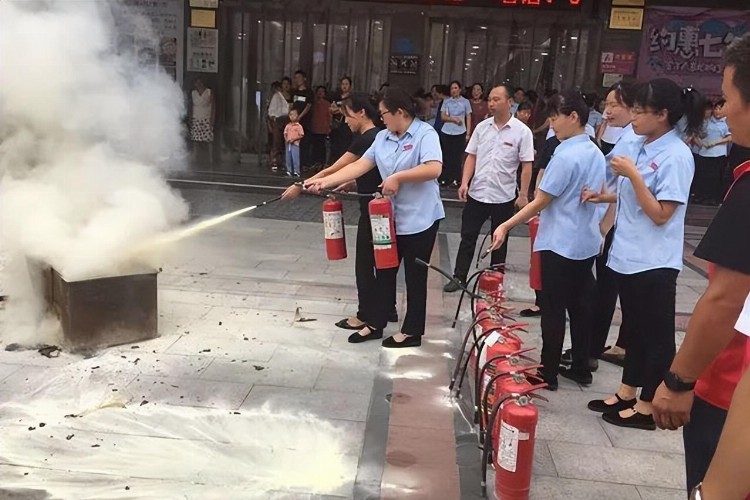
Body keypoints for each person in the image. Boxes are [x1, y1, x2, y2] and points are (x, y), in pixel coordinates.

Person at [649, 34, 750, 495]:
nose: (723, 112)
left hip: (734, 386)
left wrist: (678, 379)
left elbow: (725, 296)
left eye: (728, 99)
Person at [584, 78, 703, 431]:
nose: (632, 116)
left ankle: (649, 405)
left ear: (663, 115)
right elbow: (626, 192)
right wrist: (603, 196)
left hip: (654, 261)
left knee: (656, 335)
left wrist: (634, 175)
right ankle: (627, 392)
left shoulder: (677, 156)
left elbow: (662, 213)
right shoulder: (635, 140)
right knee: (633, 328)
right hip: (626, 252)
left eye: (639, 111)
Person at [305, 87, 445, 348]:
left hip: (420, 219)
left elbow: (433, 168)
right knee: (385, 269)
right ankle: (375, 323)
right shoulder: (383, 137)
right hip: (389, 219)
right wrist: (322, 181)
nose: (381, 119)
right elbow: (359, 166)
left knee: (415, 276)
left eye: (384, 114)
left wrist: (398, 178)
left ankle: (412, 331)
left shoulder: (426, 134)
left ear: (399, 112)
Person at [490, 91, 606, 391]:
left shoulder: (565, 155)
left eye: (555, 118)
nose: (552, 124)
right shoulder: (594, 151)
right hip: (585, 242)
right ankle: (581, 366)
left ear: (574, 117)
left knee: (553, 309)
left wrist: (505, 224)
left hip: (559, 243)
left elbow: (540, 201)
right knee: (581, 306)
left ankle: (548, 371)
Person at [282, 93, 397, 330]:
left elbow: (336, 169)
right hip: (382, 209)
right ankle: (388, 309)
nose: (345, 121)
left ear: (362, 113)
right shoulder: (378, 137)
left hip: (373, 211)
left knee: (365, 264)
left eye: (347, 115)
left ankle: (365, 313)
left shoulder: (367, 139)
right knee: (382, 262)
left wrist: (300, 185)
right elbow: (370, 172)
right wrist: (354, 183)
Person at [443, 85, 534, 293]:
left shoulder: (522, 132)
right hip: (478, 192)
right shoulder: (482, 127)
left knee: (499, 239)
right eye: (490, 100)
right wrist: (465, 182)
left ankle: (495, 280)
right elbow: (471, 156)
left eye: (496, 99)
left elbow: (526, 165)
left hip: (503, 195)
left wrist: (523, 195)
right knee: (468, 236)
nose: (491, 103)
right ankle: (459, 277)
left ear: (510, 102)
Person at [692, 99, 732, 205]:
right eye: (716, 108)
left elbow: (730, 137)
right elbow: (696, 133)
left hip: (718, 154)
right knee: (703, 175)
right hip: (704, 152)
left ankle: (712, 198)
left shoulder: (726, 122)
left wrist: (715, 143)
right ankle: (701, 196)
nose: (717, 111)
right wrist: (699, 142)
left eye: (720, 108)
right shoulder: (706, 120)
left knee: (714, 177)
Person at [439, 81, 472, 186]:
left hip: (460, 131)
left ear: (460, 89)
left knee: (457, 156)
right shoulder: (446, 101)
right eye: (452, 88)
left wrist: (468, 133)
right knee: (447, 156)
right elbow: (443, 117)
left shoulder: (465, 102)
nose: (454, 90)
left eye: (455, 88)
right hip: (447, 130)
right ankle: (446, 178)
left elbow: (468, 117)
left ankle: (456, 179)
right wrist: (452, 119)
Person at [292, 70, 315, 169]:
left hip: (305, 121)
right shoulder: (295, 92)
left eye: (299, 77)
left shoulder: (309, 92)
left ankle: (304, 163)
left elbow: (308, 106)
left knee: (305, 143)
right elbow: (291, 105)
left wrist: (300, 117)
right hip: (294, 121)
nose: (297, 80)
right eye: (296, 78)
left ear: (304, 79)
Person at [329, 76, 354, 163]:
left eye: (346, 84)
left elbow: (350, 111)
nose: (344, 86)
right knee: (335, 146)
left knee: (345, 146)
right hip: (336, 125)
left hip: (347, 125)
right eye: (343, 84)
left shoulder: (352, 98)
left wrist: (339, 110)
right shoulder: (337, 97)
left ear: (350, 86)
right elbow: (331, 108)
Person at [190, 78, 215, 163]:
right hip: (196, 117)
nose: (198, 84)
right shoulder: (193, 93)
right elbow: (191, 106)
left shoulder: (209, 92)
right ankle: (194, 155)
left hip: (206, 117)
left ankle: (211, 158)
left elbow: (213, 106)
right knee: (195, 139)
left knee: (208, 139)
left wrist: (212, 118)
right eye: (196, 83)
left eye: (200, 82)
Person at [267, 81, 289, 172]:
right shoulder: (277, 96)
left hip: (287, 119)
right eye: (284, 84)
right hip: (278, 119)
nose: (286, 86)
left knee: (286, 142)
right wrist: (272, 119)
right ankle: (274, 161)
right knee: (276, 141)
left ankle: (285, 162)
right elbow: (271, 110)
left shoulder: (291, 96)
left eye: (288, 84)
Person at [309, 85, 332, 169]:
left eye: (322, 91)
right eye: (319, 91)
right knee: (315, 146)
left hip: (323, 128)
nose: (320, 93)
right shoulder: (313, 103)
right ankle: (315, 162)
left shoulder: (327, 104)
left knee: (322, 147)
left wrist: (329, 126)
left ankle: (322, 163)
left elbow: (330, 117)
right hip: (314, 127)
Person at [283, 109, 304, 177]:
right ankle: (289, 170)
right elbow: (285, 133)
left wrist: (294, 139)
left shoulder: (299, 126)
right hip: (288, 143)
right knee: (288, 157)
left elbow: (301, 135)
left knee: (295, 157)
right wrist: (286, 139)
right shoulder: (288, 125)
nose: (292, 117)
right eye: (291, 115)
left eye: (294, 115)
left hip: (295, 144)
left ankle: (296, 170)